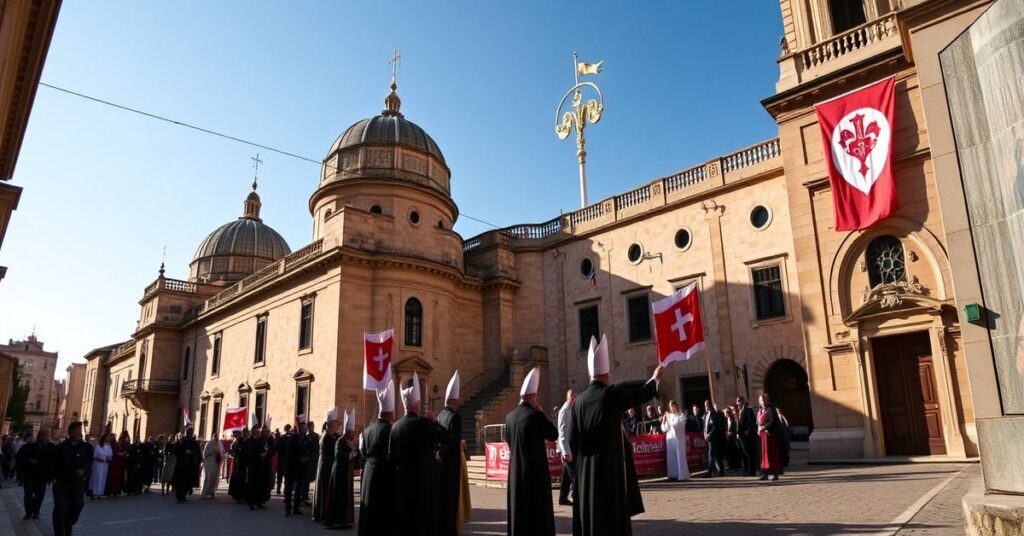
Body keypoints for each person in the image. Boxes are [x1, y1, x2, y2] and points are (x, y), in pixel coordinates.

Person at [572, 334, 663, 536]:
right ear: (606, 372)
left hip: (586, 471)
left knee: (591, 514)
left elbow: (572, 441)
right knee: (610, 515)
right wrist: (655, 379)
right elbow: (639, 395)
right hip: (608, 467)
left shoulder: (578, 401)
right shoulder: (611, 393)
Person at [389, 372, 449, 535]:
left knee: (406, 518)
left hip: (403, 480)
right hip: (423, 481)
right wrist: (435, 421)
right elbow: (446, 437)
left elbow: (391, 457)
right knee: (422, 520)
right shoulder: (424, 424)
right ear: (416, 404)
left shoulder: (395, 427)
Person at [505, 368, 559, 536]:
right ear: (532, 396)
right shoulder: (536, 415)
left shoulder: (509, 417)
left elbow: (508, 441)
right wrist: (542, 412)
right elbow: (553, 434)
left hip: (515, 473)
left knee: (519, 511)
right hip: (535, 474)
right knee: (537, 514)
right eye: (536, 396)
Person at [359, 380, 397, 536]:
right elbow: (393, 454)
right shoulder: (390, 429)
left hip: (368, 472)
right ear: (390, 412)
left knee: (368, 508)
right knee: (381, 511)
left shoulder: (368, 430)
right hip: (383, 473)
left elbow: (362, 451)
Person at [52, 422, 93, 536]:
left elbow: (90, 462)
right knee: (60, 509)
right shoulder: (60, 447)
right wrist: (53, 477)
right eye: (77, 430)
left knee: (78, 504)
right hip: (61, 482)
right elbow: (53, 464)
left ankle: (69, 522)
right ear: (70, 432)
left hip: (77, 482)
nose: (79, 432)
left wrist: (84, 470)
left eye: (80, 430)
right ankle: (59, 532)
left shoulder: (86, 447)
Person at [437, 370, 464, 536]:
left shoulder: (440, 416)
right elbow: (454, 441)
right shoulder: (455, 418)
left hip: (440, 465)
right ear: (454, 399)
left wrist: (439, 454)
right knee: (451, 499)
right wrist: (445, 453)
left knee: (442, 499)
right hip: (451, 465)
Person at [325, 409, 357, 529]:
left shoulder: (350, 441)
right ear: (347, 431)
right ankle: (336, 520)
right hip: (339, 473)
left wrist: (355, 453)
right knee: (338, 496)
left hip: (347, 473)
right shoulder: (340, 441)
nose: (353, 433)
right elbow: (338, 455)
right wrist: (350, 455)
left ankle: (346, 520)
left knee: (347, 496)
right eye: (351, 431)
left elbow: (354, 454)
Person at [17, 427, 53, 519]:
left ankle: (36, 511)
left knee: (40, 495)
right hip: (30, 474)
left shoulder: (51, 448)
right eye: (45, 435)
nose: (46, 437)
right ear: (40, 436)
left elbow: (53, 461)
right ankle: (28, 511)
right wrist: (29, 461)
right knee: (28, 495)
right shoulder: (29, 446)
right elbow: (20, 457)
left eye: (48, 435)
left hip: (42, 475)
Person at [313, 413, 339, 523]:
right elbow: (332, 452)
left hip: (330, 466)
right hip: (325, 466)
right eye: (334, 424)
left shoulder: (333, 436)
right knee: (324, 489)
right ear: (329, 424)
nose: (336, 426)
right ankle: (322, 513)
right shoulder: (325, 437)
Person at [284, 420, 313, 516]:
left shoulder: (307, 439)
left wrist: (307, 458)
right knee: (289, 488)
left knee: (299, 489)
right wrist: (299, 458)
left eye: (305, 428)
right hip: (292, 467)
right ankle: (288, 508)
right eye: (302, 427)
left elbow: (310, 450)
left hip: (302, 468)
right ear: (299, 428)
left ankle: (296, 508)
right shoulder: (293, 438)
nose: (304, 429)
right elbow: (290, 452)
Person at [556, 388, 576, 507]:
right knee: (574, 474)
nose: (573, 399)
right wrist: (565, 451)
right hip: (567, 447)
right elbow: (562, 432)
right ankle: (576, 496)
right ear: (568, 397)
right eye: (571, 397)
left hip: (571, 445)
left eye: (575, 397)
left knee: (567, 476)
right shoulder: (564, 411)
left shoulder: (572, 409)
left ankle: (563, 498)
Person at [660, 401, 690, 481]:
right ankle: (673, 475)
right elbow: (664, 428)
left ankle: (682, 476)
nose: (672, 408)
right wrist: (664, 421)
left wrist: (671, 422)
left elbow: (679, 425)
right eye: (670, 406)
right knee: (671, 457)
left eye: (673, 406)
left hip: (678, 439)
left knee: (680, 456)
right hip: (670, 439)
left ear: (676, 406)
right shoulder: (669, 416)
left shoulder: (681, 415)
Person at [757, 393, 783, 481]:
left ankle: (775, 474)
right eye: (761, 401)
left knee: (772, 454)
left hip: (770, 435)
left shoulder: (770, 409)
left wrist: (764, 427)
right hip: (762, 435)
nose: (762, 402)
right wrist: (759, 428)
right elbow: (759, 422)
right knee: (764, 455)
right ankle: (765, 473)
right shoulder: (760, 410)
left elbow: (773, 421)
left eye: (763, 400)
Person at [172, 427, 201, 503]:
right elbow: (175, 450)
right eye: (189, 431)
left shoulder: (194, 442)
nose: (190, 433)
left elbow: (198, 453)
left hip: (190, 466)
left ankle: (184, 495)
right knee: (180, 481)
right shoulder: (181, 440)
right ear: (186, 432)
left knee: (188, 482)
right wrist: (184, 451)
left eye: (191, 431)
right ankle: (179, 496)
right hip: (181, 465)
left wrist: (197, 460)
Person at [702, 400, 725, 477]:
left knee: (710, 455)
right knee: (716, 455)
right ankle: (721, 470)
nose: (706, 407)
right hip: (707, 438)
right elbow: (705, 426)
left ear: (710, 406)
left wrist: (709, 435)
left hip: (713, 438)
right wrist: (705, 434)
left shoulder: (714, 414)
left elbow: (715, 427)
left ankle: (709, 472)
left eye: (707, 405)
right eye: (705, 405)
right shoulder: (705, 415)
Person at [736, 396, 758, 476]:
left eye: (739, 401)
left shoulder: (748, 409)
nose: (737, 403)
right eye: (737, 401)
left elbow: (751, 422)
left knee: (749, 453)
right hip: (742, 436)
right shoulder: (740, 410)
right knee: (745, 453)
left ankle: (752, 470)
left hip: (747, 436)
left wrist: (747, 432)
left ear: (743, 401)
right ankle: (747, 469)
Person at [104, 431, 129, 497]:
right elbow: (116, 452)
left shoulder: (116, 443)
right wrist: (122, 454)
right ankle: (112, 491)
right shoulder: (111, 444)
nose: (115, 437)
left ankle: (114, 491)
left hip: (117, 463)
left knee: (116, 477)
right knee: (113, 477)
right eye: (113, 436)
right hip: (114, 462)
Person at [88, 433, 112, 498]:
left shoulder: (109, 446)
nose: (108, 439)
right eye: (107, 437)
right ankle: (93, 492)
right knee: (97, 477)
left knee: (103, 478)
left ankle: (100, 492)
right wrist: (102, 459)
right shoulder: (98, 446)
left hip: (105, 465)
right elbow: (95, 456)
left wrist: (108, 459)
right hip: (98, 464)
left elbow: (110, 456)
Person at [201, 432, 223, 498]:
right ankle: (204, 492)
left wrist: (220, 456)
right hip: (209, 462)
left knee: (215, 478)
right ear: (212, 436)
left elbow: (221, 452)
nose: (216, 437)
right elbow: (205, 453)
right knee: (208, 477)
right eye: (214, 436)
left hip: (216, 463)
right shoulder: (209, 443)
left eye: (217, 436)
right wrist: (212, 451)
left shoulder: (219, 443)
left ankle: (212, 491)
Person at [228, 430, 247, 503]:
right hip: (237, 463)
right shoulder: (236, 441)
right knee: (237, 478)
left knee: (240, 479)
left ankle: (239, 495)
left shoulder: (241, 441)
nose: (234, 435)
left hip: (241, 463)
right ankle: (237, 495)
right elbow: (233, 452)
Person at [304, 420, 319, 506]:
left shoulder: (316, 436)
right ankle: (305, 495)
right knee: (307, 479)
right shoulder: (307, 436)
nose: (312, 427)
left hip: (315, 459)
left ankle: (311, 495)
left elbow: (317, 447)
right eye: (311, 426)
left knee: (313, 477)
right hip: (309, 460)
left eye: (313, 426)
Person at [275, 424, 291, 495]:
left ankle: (285, 490)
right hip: (282, 459)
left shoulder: (292, 438)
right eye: (287, 429)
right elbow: (278, 448)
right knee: (280, 475)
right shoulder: (282, 438)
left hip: (288, 459)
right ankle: (278, 489)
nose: (288, 430)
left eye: (289, 429)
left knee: (287, 476)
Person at [723, 406, 740, 471]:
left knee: (734, 451)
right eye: (724, 412)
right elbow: (725, 428)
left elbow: (735, 428)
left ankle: (736, 465)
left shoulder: (733, 419)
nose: (725, 414)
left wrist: (731, 433)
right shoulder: (725, 420)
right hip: (728, 438)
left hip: (733, 438)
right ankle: (731, 465)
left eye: (726, 412)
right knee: (729, 452)